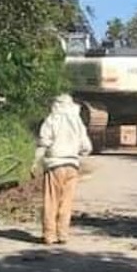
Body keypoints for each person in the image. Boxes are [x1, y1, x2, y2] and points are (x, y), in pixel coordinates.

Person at [31, 94, 93, 245]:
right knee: (66, 202)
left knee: (51, 201)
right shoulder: (77, 121)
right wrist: (74, 152)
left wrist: (35, 162)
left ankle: (49, 235)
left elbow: (44, 144)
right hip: (72, 166)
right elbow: (87, 148)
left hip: (55, 166)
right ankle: (63, 234)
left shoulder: (52, 120)